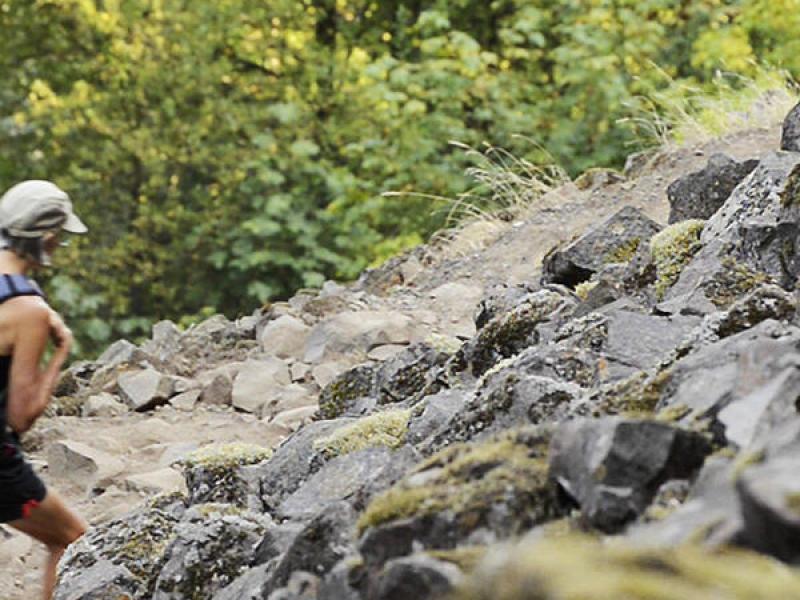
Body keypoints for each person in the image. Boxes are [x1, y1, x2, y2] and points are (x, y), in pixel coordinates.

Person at [0, 180, 89, 599]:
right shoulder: (27, 309)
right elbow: (21, 415)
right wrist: (60, 351)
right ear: (47, 237)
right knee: (71, 538)